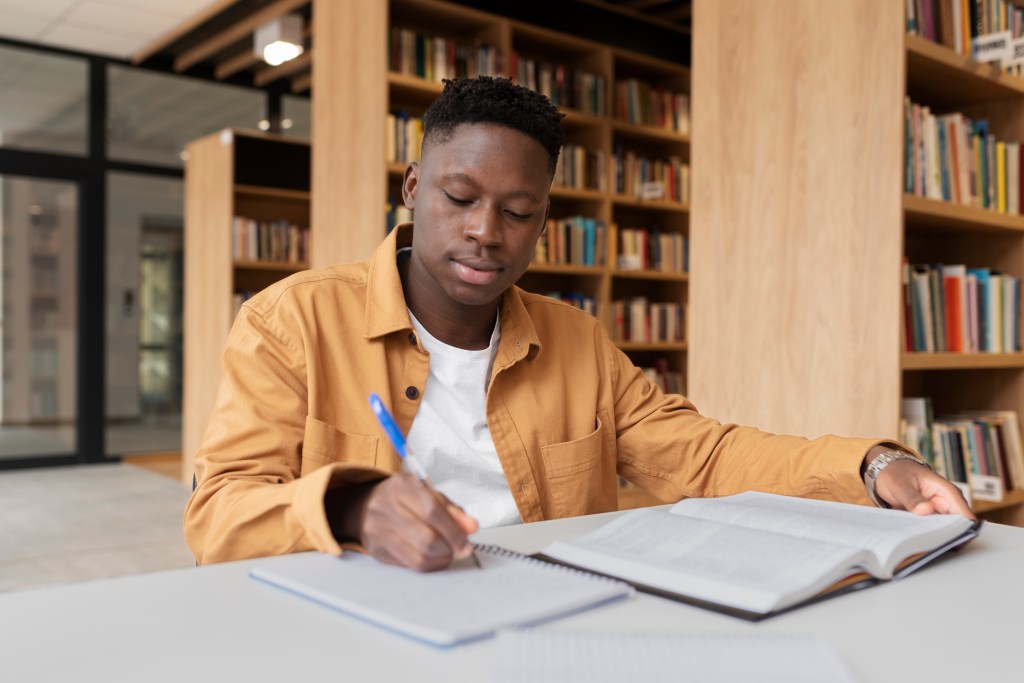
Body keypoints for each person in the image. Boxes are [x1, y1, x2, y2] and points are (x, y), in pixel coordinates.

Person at [184, 75, 974, 570]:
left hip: (549, 627)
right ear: (414, 186)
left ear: (544, 222)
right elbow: (216, 516)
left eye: (518, 211)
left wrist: (872, 465)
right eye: (459, 198)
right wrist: (353, 507)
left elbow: (705, 456)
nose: (485, 231)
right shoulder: (291, 321)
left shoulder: (577, 341)